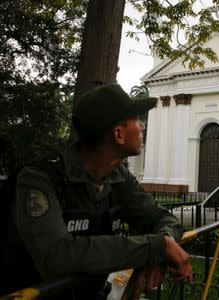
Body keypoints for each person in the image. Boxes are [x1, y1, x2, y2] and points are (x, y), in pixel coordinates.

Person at [4, 83, 192, 299]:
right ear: (119, 134)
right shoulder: (38, 179)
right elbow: (57, 256)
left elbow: (161, 218)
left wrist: (163, 247)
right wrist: (153, 248)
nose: (142, 126)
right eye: (136, 120)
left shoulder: (117, 177)